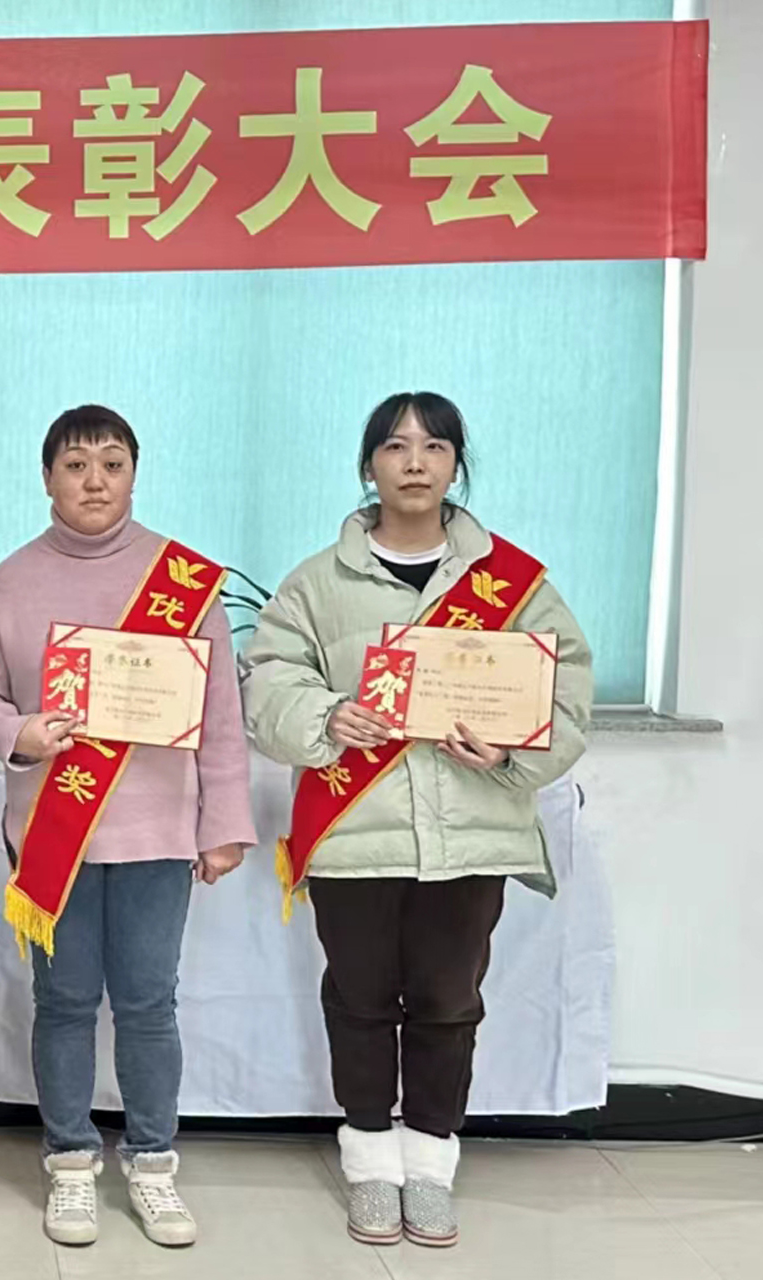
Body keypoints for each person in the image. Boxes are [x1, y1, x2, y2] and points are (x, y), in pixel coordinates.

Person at [243, 392, 592, 1249]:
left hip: (472, 831)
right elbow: (267, 678)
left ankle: (431, 1164)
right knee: (359, 999)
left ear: (455, 464)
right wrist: (328, 715)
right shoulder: (317, 582)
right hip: (355, 833)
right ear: (369, 465)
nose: (414, 461)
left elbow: (567, 689)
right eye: (395, 446)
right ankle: (369, 1160)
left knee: (448, 1001)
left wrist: (508, 747)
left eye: (434, 446)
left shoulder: (513, 584)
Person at [0, 405, 255, 1249]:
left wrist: (223, 823)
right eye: (76, 465)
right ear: (46, 477)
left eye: (112, 464)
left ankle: (153, 1163)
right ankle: (71, 1162)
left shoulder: (182, 581)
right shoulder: (10, 582)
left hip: (158, 833)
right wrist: (19, 732)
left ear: (134, 475)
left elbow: (221, 715)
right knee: (63, 1002)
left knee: (150, 1003)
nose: (95, 481)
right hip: (55, 834)